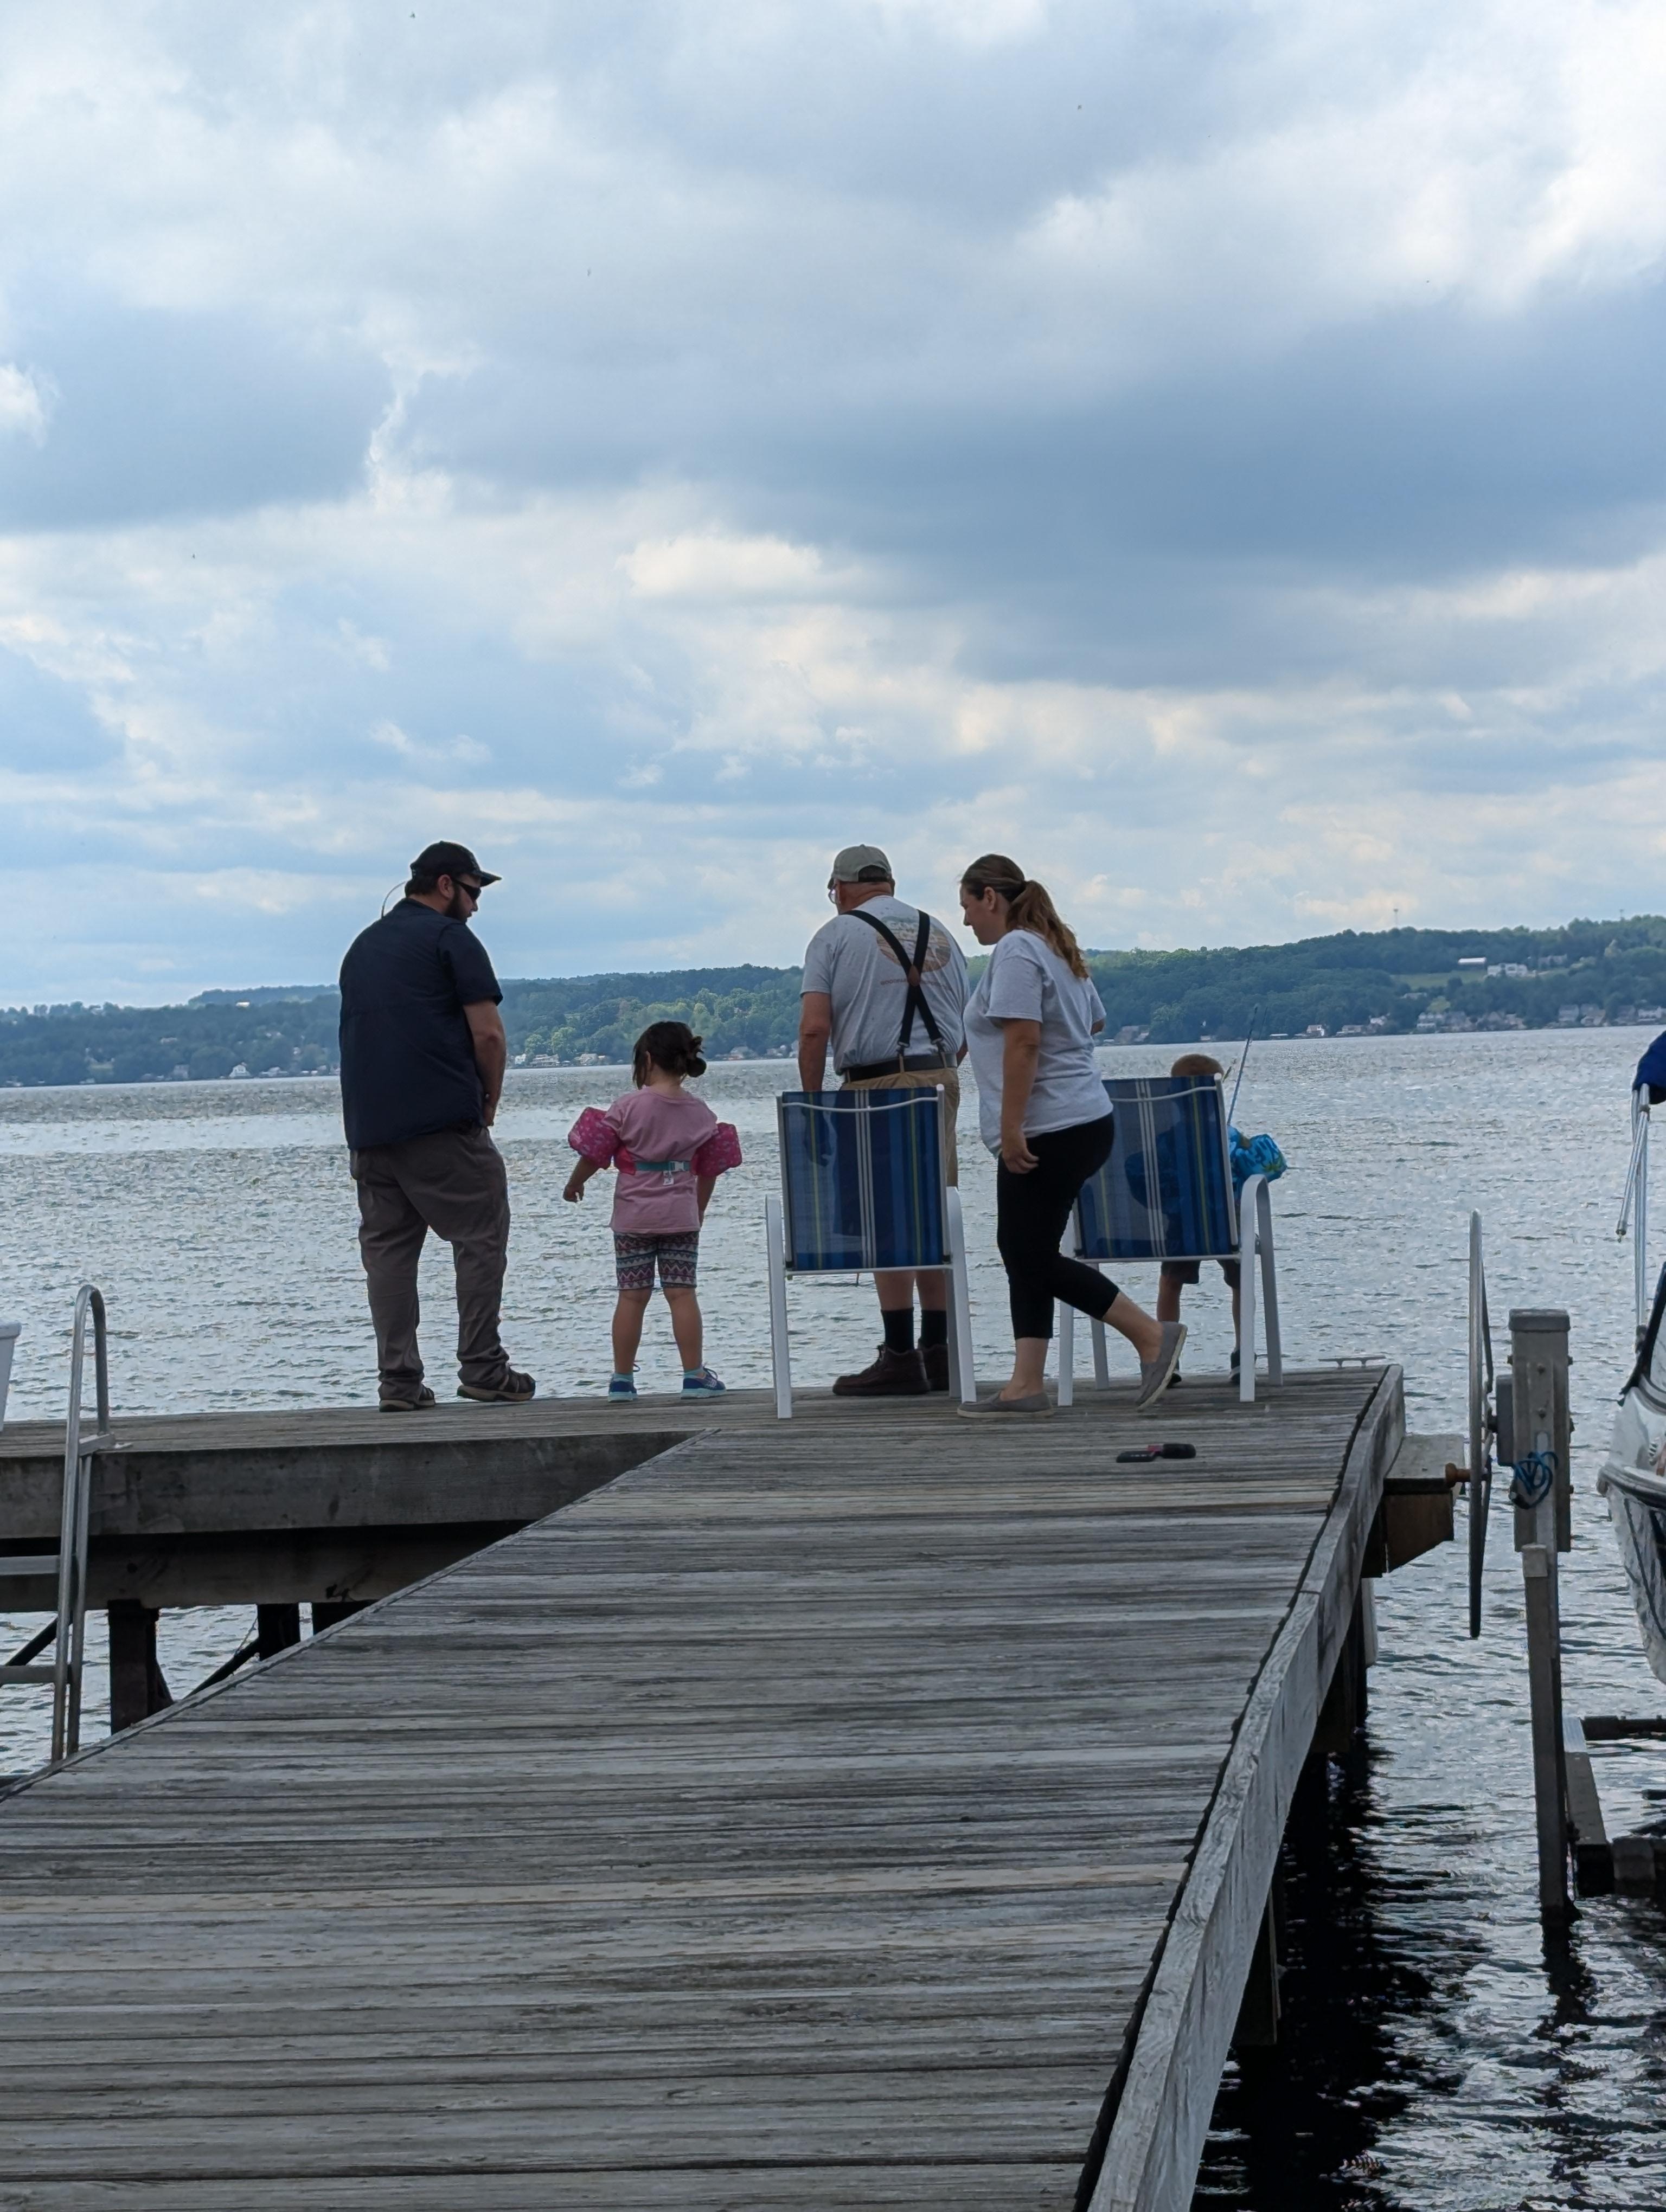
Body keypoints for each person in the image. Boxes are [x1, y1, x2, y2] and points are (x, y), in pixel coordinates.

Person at [957, 853, 1184, 1417]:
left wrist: (1012, 1128)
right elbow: (1094, 1020)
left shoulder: (1014, 950)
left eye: (966, 906)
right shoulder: (1054, 949)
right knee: (1028, 1249)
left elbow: (1025, 1041)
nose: (965, 921)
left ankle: (1151, 1338)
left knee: (1024, 1252)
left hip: (1049, 1125)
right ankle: (1026, 1385)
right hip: (1086, 1119)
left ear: (991, 897)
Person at [338, 841, 534, 1410]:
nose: (476, 907)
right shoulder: (452, 940)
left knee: (390, 1254)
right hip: (442, 1123)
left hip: (370, 1131)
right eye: (474, 892)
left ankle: (397, 1381)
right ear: (446, 885)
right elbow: (490, 1035)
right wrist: (488, 1102)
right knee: (480, 1234)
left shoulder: (363, 946)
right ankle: (483, 1366)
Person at [798, 843, 970, 1394]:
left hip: (875, 1085)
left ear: (842, 888)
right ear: (889, 884)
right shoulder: (941, 932)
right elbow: (964, 1032)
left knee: (885, 1219)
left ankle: (899, 1355)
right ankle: (938, 1352)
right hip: (941, 1080)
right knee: (933, 1211)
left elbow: (814, 1029)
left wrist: (813, 1104)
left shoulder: (835, 936)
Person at [563, 1021, 742, 1399]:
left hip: (633, 1218)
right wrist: (699, 1211)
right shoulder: (700, 1113)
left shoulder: (628, 1107)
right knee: (682, 1295)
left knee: (631, 1297)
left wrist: (575, 1183)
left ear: (646, 1059)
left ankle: (622, 1381)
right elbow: (708, 1171)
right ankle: (694, 1376)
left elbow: (595, 1155)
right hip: (680, 1217)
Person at [1156, 1052, 1240, 1385]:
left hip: (1181, 1226)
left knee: (1170, 1283)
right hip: (1225, 1224)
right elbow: (1262, 1166)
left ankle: (1166, 1359)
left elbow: (1146, 1180)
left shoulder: (1164, 1141)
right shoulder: (1228, 1137)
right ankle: (1242, 1352)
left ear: (1175, 1100)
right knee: (1240, 1281)